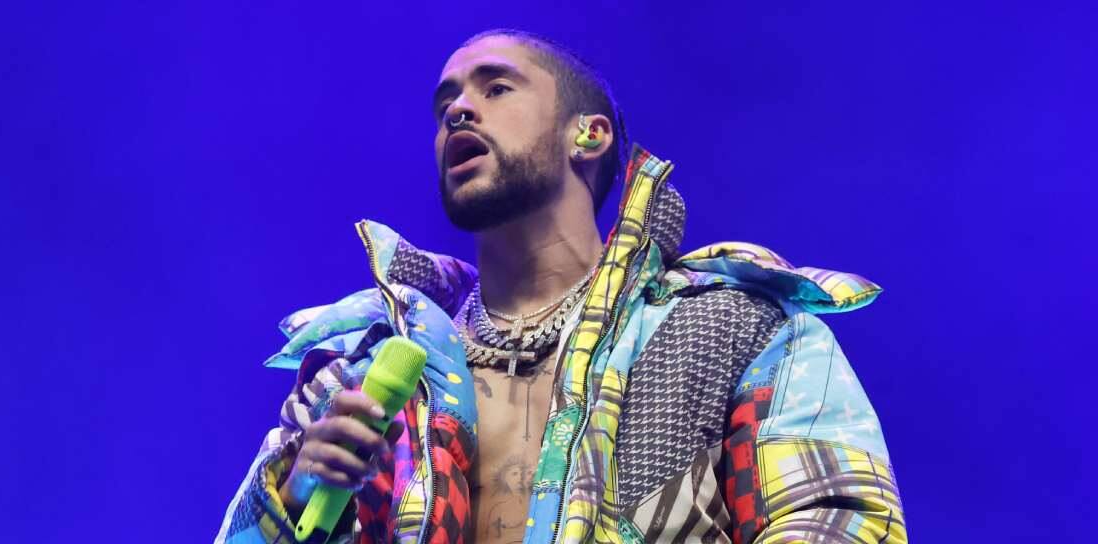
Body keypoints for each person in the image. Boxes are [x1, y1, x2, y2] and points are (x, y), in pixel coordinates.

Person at [216, 29, 906, 544]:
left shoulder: (734, 328)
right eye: (446, 102)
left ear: (589, 135)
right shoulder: (364, 368)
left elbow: (840, 519)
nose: (458, 111)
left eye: (496, 88)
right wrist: (296, 495)